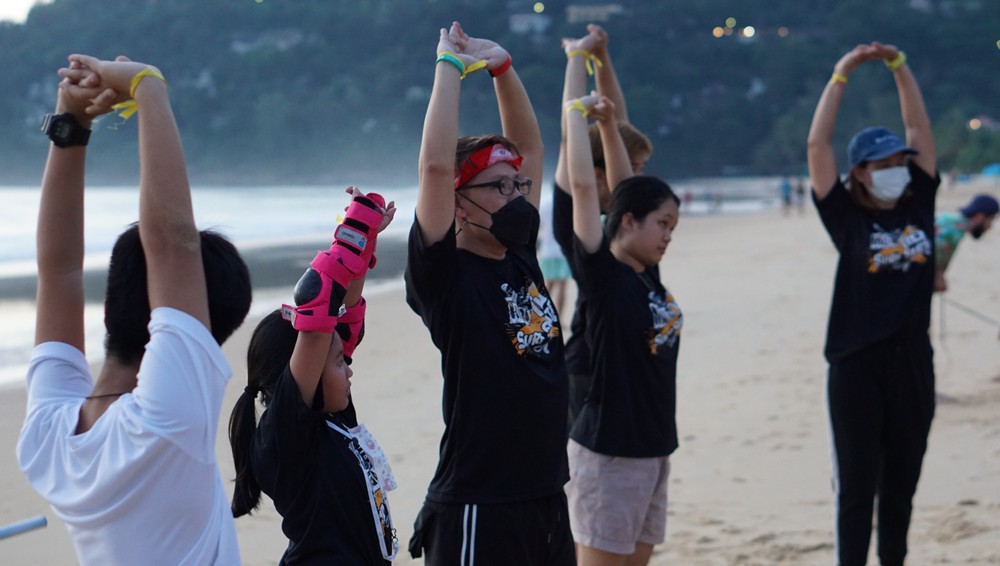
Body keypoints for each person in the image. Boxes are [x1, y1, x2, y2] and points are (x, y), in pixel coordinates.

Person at [17, 55, 252, 564]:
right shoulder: (167, 417)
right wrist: (148, 87)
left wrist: (72, 123)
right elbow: (173, 246)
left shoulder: (50, 440)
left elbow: (59, 271)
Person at [405, 22, 574, 565]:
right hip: (480, 503)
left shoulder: (519, 253)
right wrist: (449, 66)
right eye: (499, 186)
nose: (517, 195)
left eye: (518, 184)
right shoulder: (445, 278)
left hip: (547, 494)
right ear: (459, 202)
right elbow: (435, 168)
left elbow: (531, 148)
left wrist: (502, 68)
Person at [807, 42, 938, 566]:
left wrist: (899, 68)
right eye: (883, 163)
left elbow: (919, 130)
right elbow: (818, 145)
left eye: (899, 161)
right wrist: (841, 73)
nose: (896, 168)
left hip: (912, 364)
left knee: (901, 488)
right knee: (857, 490)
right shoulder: (847, 218)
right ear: (861, 171)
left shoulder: (919, 202)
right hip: (856, 366)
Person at [562, 31, 683, 564]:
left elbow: (625, 181)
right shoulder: (605, 275)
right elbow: (584, 185)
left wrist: (609, 121)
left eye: (673, 226)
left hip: (652, 448)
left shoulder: (647, 275)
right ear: (628, 222)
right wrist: (576, 109)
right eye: (664, 224)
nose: (669, 235)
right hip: (608, 450)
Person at [228, 187, 399, 564]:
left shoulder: (331, 415)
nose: (349, 367)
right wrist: (354, 228)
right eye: (339, 362)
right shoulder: (285, 435)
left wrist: (366, 242)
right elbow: (317, 298)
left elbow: (344, 322)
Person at [551, 24, 654, 427]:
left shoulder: (626, 211)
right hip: (590, 367)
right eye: (634, 166)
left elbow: (619, 121)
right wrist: (578, 57)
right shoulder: (576, 215)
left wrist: (602, 57)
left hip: (628, 361)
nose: (636, 174)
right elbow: (568, 137)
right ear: (597, 173)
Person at [934, 193, 998, 292]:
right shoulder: (953, 230)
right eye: (990, 220)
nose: (989, 227)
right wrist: (937, 276)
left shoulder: (949, 221)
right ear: (979, 216)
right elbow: (928, 254)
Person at [538, 194, 572, 316]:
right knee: (562, 286)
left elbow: (539, 224)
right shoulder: (566, 204)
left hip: (547, 250)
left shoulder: (544, 204)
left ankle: (543, 316)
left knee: (547, 286)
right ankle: (559, 317)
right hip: (562, 251)